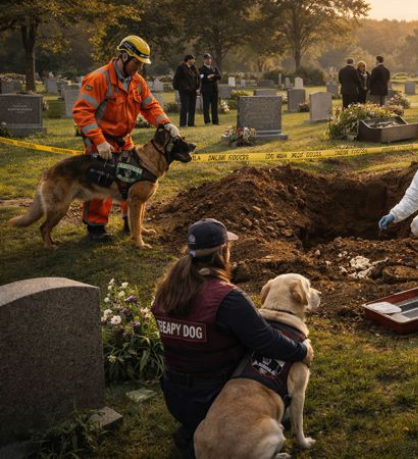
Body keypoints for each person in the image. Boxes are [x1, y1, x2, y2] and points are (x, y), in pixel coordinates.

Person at [152, 218, 312, 458]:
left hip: (175, 397)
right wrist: (301, 351)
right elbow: (266, 340)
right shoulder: (227, 297)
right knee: (272, 366)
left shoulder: (167, 289)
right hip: (215, 400)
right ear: (223, 252)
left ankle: (193, 433)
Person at [73, 35, 179, 242]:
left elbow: (149, 106)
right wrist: (99, 141)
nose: (138, 67)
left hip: (124, 140)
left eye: (141, 64)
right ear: (123, 56)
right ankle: (96, 227)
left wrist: (165, 123)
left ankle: (131, 224)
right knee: (101, 182)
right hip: (101, 141)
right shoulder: (99, 78)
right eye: (136, 62)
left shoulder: (137, 82)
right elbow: (82, 112)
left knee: (134, 178)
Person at [173, 54, 200, 127]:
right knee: (185, 107)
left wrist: (197, 87)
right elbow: (178, 79)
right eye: (193, 59)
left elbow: (197, 78)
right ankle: (183, 123)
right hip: (184, 91)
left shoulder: (194, 68)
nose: (194, 61)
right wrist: (185, 87)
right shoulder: (181, 67)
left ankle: (191, 123)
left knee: (192, 107)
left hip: (193, 91)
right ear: (188, 60)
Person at [199, 53, 221, 126]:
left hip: (214, 90)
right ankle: (207, 121)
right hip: (206, 90)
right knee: (206, 106)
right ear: (204, 60)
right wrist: (211, 78)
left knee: (214, 106)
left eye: (210, 59)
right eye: (207, 59)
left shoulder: (214, 68)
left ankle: (215, 121)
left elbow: (219, 76)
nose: (209, 60)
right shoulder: (201, 69)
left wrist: (212, 75)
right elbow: (203, 79)